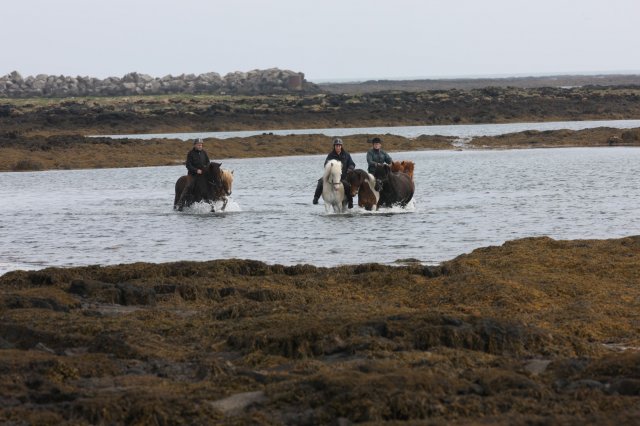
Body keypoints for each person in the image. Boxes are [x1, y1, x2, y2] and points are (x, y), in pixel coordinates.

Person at [312, 138, 356, 208]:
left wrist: (350, 168)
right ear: (334, 146)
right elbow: (326, 164)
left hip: (343, 176)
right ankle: (316, 198)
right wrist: (329, 167)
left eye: (339, 145)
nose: (338, 147)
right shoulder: (331, 155)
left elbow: (352, 164)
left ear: (341, 146)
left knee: (347, 185)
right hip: (332, 176)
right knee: (320, 181)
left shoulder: (346, 155)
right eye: (336, 146)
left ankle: (350, 201)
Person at [176, 138, 211, 209]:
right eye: (198, 145)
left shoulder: (204, 152)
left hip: (203, 174)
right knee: (189, 185)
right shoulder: (190, 153)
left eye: (201, 145)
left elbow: (208, 162)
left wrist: (205, 168)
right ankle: (181, 202)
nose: (200, 146)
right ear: (195, 145)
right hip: (192, 174)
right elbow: (188, 165)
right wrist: (196, 170)